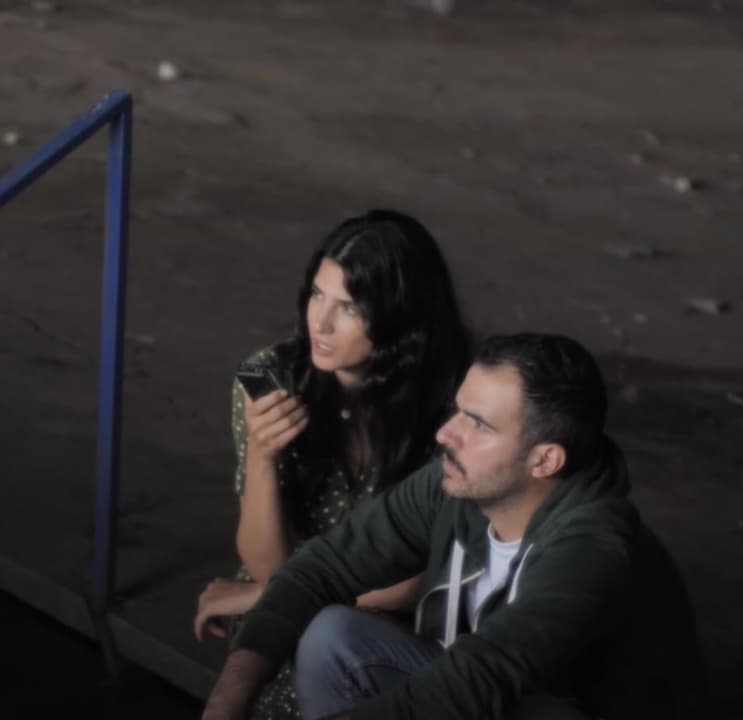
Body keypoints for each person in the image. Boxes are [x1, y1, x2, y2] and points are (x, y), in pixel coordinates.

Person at [202, 333, 702, 720]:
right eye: (457, 411)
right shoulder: (457, 485)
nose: (446, 434)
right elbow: (325, 567)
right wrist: (229, 698)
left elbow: (481, 679)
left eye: (478, 424)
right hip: (488, 693)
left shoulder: (593, 549)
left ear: (544, 459)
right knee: (333, 635)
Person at [193, 210, 471, 720]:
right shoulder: (272, 378)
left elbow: (413, 585)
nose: (319, 323)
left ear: (400, 318)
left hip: (379, 630)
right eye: (317, 295)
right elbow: (266, 561)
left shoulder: (455, 408)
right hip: (291, 605)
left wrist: (263, 597)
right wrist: (262, 455)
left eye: (349, 307)